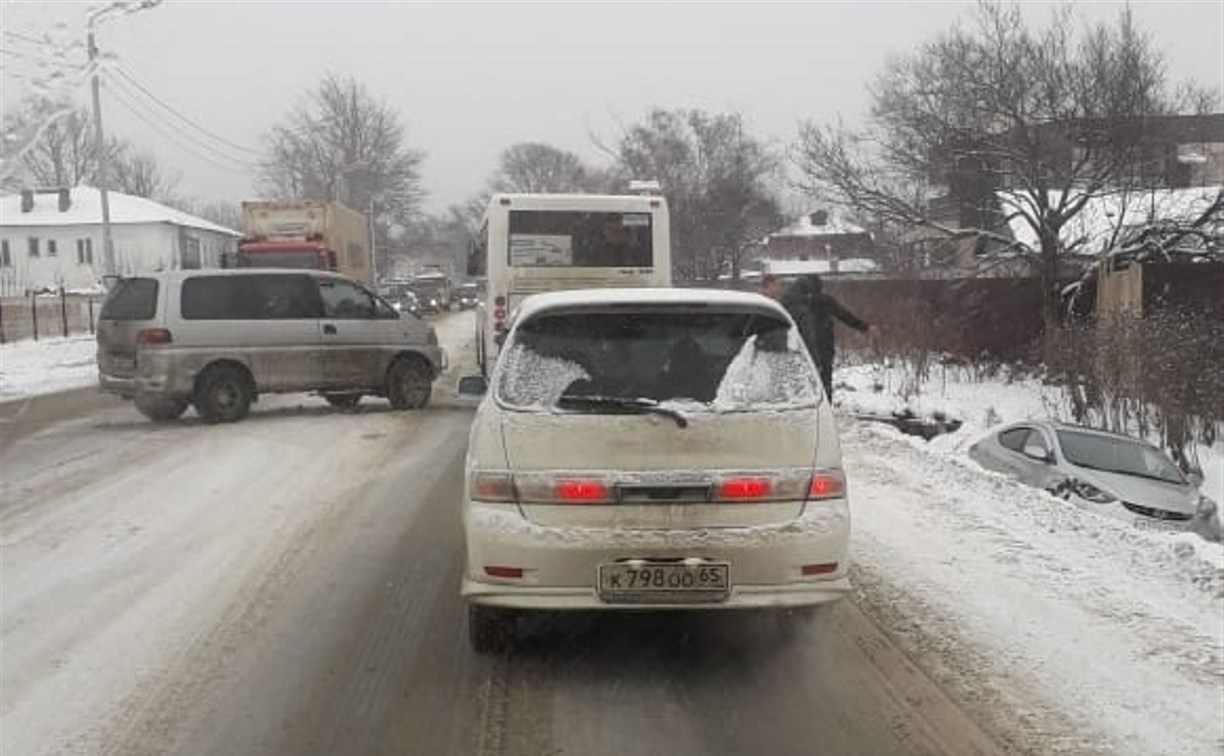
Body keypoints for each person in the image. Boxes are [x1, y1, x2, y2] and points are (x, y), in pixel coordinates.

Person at [781, 273, 878, 401]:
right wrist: (865, 327)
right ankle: (825, 409)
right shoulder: (824, 301)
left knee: (802, 385)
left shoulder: (789, 303)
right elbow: (844, 315)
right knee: (824, 382)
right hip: (824, 349)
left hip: (801, 350)